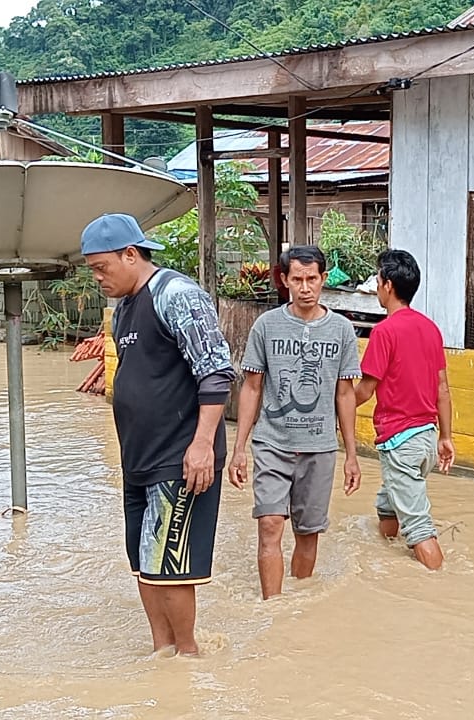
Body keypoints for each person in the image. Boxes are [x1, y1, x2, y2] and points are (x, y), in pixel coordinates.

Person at [82, 213, 236, 656]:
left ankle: (187, 656)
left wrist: (203, 445)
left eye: (101, 267)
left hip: (181, 457)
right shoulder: (125, 307)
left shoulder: (177, 295)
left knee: (171, 566)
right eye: (92, 269)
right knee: (143, 564)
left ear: (131, 255)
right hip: (139, 459)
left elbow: (215, 374)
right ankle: (161, 652)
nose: (97, 278)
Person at [228, 245, 362, 600]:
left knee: (307, 533)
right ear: (284, 280)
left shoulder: (342, 331)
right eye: (297, 279)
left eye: (312, 279)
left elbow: (345, 395)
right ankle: (272, 607)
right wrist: (239, 448)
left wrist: (351, 454)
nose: (305, 288)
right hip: (272, 443)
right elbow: (252, 387)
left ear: (323, 280)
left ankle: (299, 607)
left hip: (320, 447)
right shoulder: (266, 326)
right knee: (270, 525)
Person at [354, 249, 454, 570]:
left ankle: (441, 586)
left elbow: (365, 390)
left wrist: (333, 406)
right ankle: (387, 558)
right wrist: (446, 438)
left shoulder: (384, 331)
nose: (378, 285)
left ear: (388, 285)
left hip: (400, 441)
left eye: (379, 279)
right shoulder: (430, 329)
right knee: (388, 501)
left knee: (420, 527)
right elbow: (442, 389)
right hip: (426, 439)